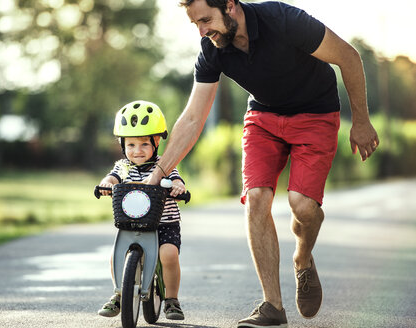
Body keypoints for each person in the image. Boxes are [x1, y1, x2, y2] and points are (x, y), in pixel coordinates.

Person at [143, 0, 380, 327]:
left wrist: (362, 122)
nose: (201, 31)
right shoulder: (212, 48)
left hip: (316, 114)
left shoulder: (283, 20)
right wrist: (156, 175)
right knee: (256, 198)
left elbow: (348, 57)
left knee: (303, 206)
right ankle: (272, 306)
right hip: (264, 118)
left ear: (229, 5)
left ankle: (302, 256)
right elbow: (193, 118)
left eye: (206, 19)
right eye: (195, 24)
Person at [97, 100, 186, 321]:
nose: (137, 151)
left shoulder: (164, 165)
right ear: (122, 145)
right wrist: (106, 184)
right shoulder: (123, 166)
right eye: (131, 145)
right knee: (115, 255)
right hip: (131, 222)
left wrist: (178, 187)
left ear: (156, 142)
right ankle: (119, 294)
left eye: (144, 144)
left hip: (165, 224)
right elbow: (112, 177)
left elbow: (176, 180)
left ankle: (172, 299)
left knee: (169, 254)